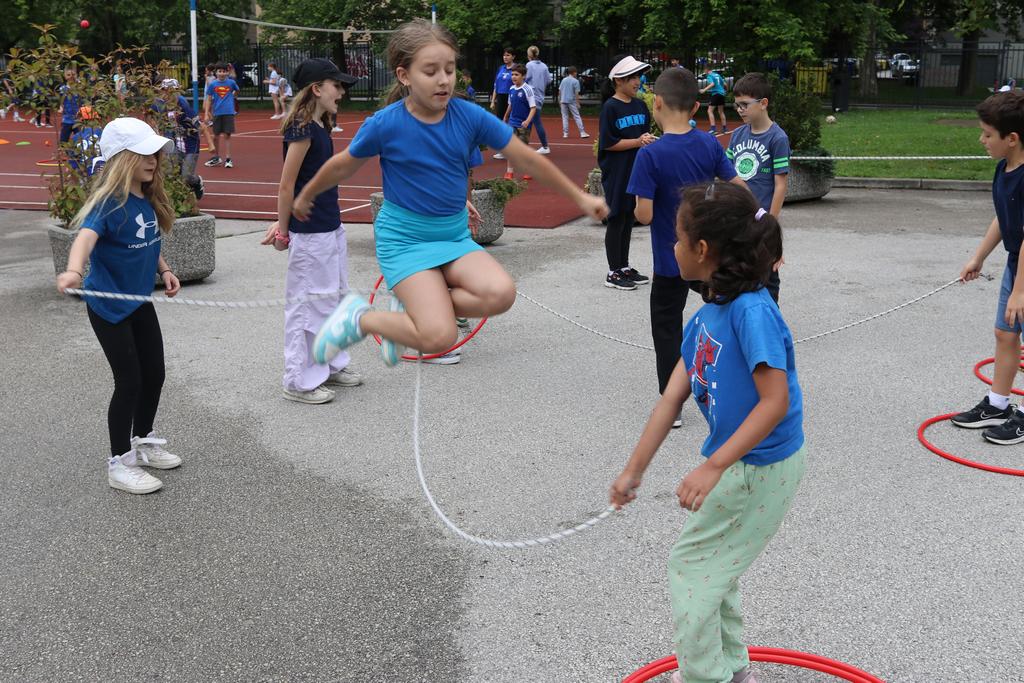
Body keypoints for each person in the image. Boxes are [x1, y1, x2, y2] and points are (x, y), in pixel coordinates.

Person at [292, 19, 608, 369]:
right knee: (439, 337)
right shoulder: (386, 123)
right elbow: (342, 166)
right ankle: (360, 318)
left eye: (450, 69)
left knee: (501, 294)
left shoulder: (469, 116)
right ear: (404, 76)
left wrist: (580, 198)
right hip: (406, 240)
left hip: (452, 236)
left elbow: (527, 158)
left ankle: (416, 310)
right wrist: (307, 193)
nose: (443, 79)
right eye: (430, 71)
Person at [610, 181, 805, 683]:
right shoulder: (705, 318)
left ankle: (703, 675)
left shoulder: (752, 312)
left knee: (691, 567)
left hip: (758, 468)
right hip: (740, 465)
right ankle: (730, 668)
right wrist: (632, 472)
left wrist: (713, 465)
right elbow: (670, 399)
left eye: (676, 238)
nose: (670, 246)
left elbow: (775, 402)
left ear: (700, 249)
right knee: (714, 566)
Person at [55, 117, 184, 494]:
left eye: (155, 153)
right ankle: (119, 463)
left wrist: (164, 269)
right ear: (122, 159)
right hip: (108, 305)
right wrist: (74, 271)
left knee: (155, 373)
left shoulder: (146, 197)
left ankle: (142, 439)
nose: (153, 159)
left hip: (139, 301)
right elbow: (84, 239)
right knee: (129, 380)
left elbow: (148, 242)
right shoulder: (108, 204)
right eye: (144, 153)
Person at [627, 67, 743, 425]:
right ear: (695, 108)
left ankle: (672, 403)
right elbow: (738, 186)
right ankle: (739, 384)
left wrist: (638, 204)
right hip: (706, 256)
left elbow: (644, 215)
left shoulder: (649, 155)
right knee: (726, 313)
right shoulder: (709, 143)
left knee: (667, 328)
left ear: (657, 103)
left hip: (669, 260)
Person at [259, 59, 362, 404]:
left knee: (334, 297)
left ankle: (330, 363)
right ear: (317, 89)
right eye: (337, 86)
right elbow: (286, 185)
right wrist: (283, 230)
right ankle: (298, 381)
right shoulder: (301, 129)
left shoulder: (322, 125)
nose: (342, 93)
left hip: (330, 226)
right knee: (307, 306)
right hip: (310, 233)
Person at [954, 91, 1024, 444]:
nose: (981, 140)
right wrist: (978, 257)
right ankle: (997, 404)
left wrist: (1020, 291)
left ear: (1012, 138)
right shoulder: (1004, 168)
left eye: (987, 134)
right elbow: (1003, 216)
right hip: (1016, 262)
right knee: (1005, 334)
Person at [725, 73, 789, 303]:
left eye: (745, 104)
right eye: (737, 105)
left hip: (761, 222)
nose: (739, 110)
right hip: (737, 220)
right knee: (735, 275)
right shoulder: (737, 134)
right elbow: (727, 174)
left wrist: (771, 224)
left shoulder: (777, 138)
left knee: (766, 277)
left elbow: (780, 184)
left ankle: (769, 319)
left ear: (763, 103)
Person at [599, 55, 656, 291]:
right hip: (617, 171)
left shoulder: (640, 106)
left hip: (636, 169)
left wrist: (647, 141)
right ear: (618, 80)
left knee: (628, 217)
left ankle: (624, 266)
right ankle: (613, 272)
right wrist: (637, 142)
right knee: (616, 217)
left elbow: (643, 136)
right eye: (632, 77)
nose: (637, 81)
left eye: (638, 76)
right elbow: (608, 143)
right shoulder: (610, 108)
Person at [154, 79, 204, 200]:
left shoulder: (183, 105)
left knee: (186, 176)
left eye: (171, 91)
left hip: (190, 143)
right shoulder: (159, 103)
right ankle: (177, 197)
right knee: (169, 172)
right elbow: (151, 115)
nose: (167, 94)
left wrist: (211, 144)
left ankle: (197, 182)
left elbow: (200, 126)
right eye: (164, 91)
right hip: (173, 142)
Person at [502, 63, 537, 180]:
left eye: (516, 74)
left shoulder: (528, 89)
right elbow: (510, 104)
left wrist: (527, 121)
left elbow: (533, 108)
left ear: (523, 76)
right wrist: (505, 117)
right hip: (512, 122)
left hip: (523, 125)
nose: (513, 77)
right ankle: (509, 172)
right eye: (512, 74)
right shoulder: (511, 89)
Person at [204, 63, 238, 168]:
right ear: (216, 72)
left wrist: (233, 97)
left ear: (227, 72)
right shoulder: (213, 84)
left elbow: (236, 90)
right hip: (217, 112)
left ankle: (228, 158)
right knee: (216, 136)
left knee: (227, 135)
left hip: (229, 112)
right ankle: (216, 157)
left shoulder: (231, 83)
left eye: (224, 71)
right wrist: (206, 113)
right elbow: (209, 99)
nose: (222, 73)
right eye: (220, 71)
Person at [524, 45, 552, 154]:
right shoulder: (544, 66)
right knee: (531, 121)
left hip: (531, 95)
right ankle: (524, 144)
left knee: (534, 121)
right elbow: (549, 80)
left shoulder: (529, 65)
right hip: (540, 95)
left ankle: (545, 146)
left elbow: (525, 78)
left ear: (529, 55)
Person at [489, 48, 514, 159]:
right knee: (500, 123)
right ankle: (503, 150)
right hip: (501, 97)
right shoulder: (500, 68)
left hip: (511, 97)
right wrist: (493, 100)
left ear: (513, 57)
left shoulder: (515, 69)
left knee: (511, 123)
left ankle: (513, 149)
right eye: (504, 55)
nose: (505, 57)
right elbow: (496, 85)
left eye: (508, 55)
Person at [558, 66, 588, 138]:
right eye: (576, 72)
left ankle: (565, 133)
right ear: (574, 72)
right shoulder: (576, 81)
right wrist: (578, 103)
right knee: (577, 116)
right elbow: (576, 93)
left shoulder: (564, 80)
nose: (576, 73)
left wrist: (559, 100)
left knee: (565, 117)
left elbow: (560, 91)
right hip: (571, 101)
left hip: (563, 100)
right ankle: (582, 132)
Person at [700, 63, 728, 134]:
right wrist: (725, 91)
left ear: (706, 69)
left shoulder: (709, 76)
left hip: (716, 94)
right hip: (722, 94)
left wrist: (704, 90)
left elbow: (712, 84)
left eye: (704, 70)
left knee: (710, 111)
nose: (704, 71)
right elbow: (725, 84)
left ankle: (713, 129)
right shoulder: (717, 75)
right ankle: (725, 128)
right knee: (721, 111)